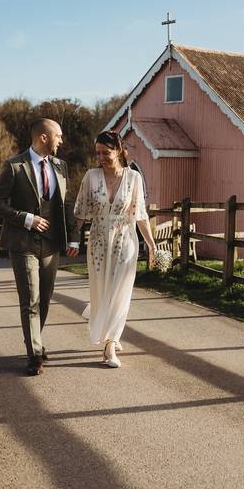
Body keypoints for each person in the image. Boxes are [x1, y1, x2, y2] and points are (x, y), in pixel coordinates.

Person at [0, 118, 80, 376]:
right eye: (58, 136)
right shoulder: (14, 166)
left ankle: (33, 342)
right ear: (44, 137)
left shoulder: (61, 167)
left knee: (45, 299)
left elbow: (67, 205)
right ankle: (35, 355)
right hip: (22, 243)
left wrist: (74, 237)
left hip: (52, 244)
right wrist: (26, 219)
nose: (61, 141)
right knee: (30, 299)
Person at [73, 131, 157, 368]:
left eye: (105, 152)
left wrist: (151, 245)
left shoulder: (134, 179)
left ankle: (110, 344)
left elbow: (140, 215)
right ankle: (104, 320)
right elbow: (80, 212)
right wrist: (72, 240)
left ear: (119, 150)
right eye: (97, 152)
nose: (100, 157)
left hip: (125, 242)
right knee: (101, 291)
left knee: (120, 292)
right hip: (98, 242)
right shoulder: (91, 176)